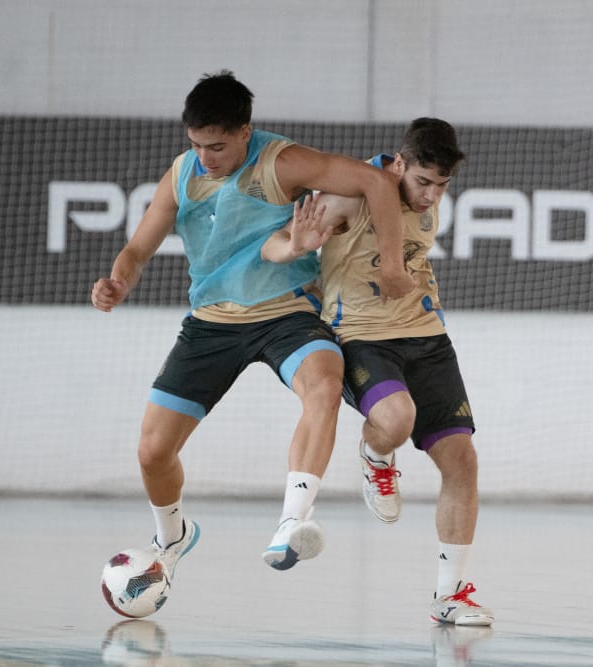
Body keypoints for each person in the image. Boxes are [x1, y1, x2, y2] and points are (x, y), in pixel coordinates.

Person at [90, 71, 415, 599]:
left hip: (287, 314)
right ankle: (172, 537)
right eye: (196, 144)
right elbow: (137, 249)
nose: (205, 157)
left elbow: (377, 182)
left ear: (245, 132)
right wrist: (118, 281)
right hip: (211, 324)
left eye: (217, 146)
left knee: (324, 383)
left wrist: (394, 265)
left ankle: (292, 520)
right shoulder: (183, 173)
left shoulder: (281, 162)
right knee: (152, 453)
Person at [262, 118, 493, 626]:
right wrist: (296, 245)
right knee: (396, 418)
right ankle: (375, 453)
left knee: (462, 462)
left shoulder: (425, 200)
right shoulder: (349, 194)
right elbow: (273, 244)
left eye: (442, 186)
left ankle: (450, 596)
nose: (431, 196)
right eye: (423, 182)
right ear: (399, 162)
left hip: (427, 335)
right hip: (362, 336)